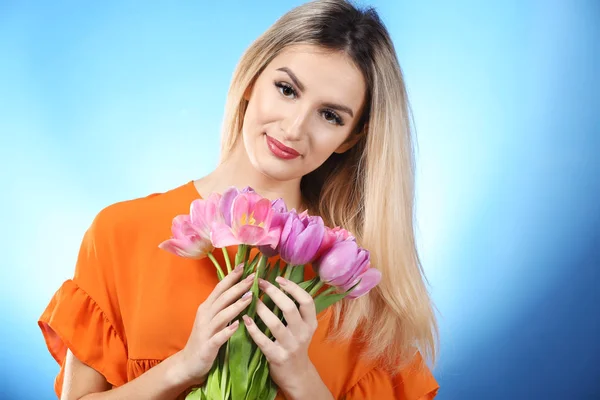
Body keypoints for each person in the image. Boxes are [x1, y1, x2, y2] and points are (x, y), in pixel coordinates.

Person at [38, 0, 440, 398]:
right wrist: (182, 367)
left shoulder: (348, 280)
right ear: (251, 79)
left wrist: (300, 377)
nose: (294, 127)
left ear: (351, 138)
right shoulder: (120, 233)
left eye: (330, 115)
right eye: (286, 89)